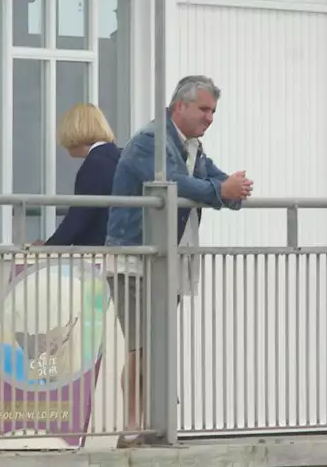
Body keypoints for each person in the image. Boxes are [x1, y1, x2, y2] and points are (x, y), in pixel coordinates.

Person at [105, 75, 253, 443]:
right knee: (143, 342)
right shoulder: (151, 141)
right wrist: (223, 190)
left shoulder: (192, 146)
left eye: (213, 111)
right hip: (136, 258)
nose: (210, 118)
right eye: (204, 109)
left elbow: (211, 181)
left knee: (153, 342)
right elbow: (173, 184)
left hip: (165, 259)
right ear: (179, 107)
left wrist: (232, 190)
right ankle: (134, 427)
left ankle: (150, 424)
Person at [45, 103, 122, 247]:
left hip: (97, 252)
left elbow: (79, 217)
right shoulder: (117, 156)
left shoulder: (96, 165)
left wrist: (47, 249)